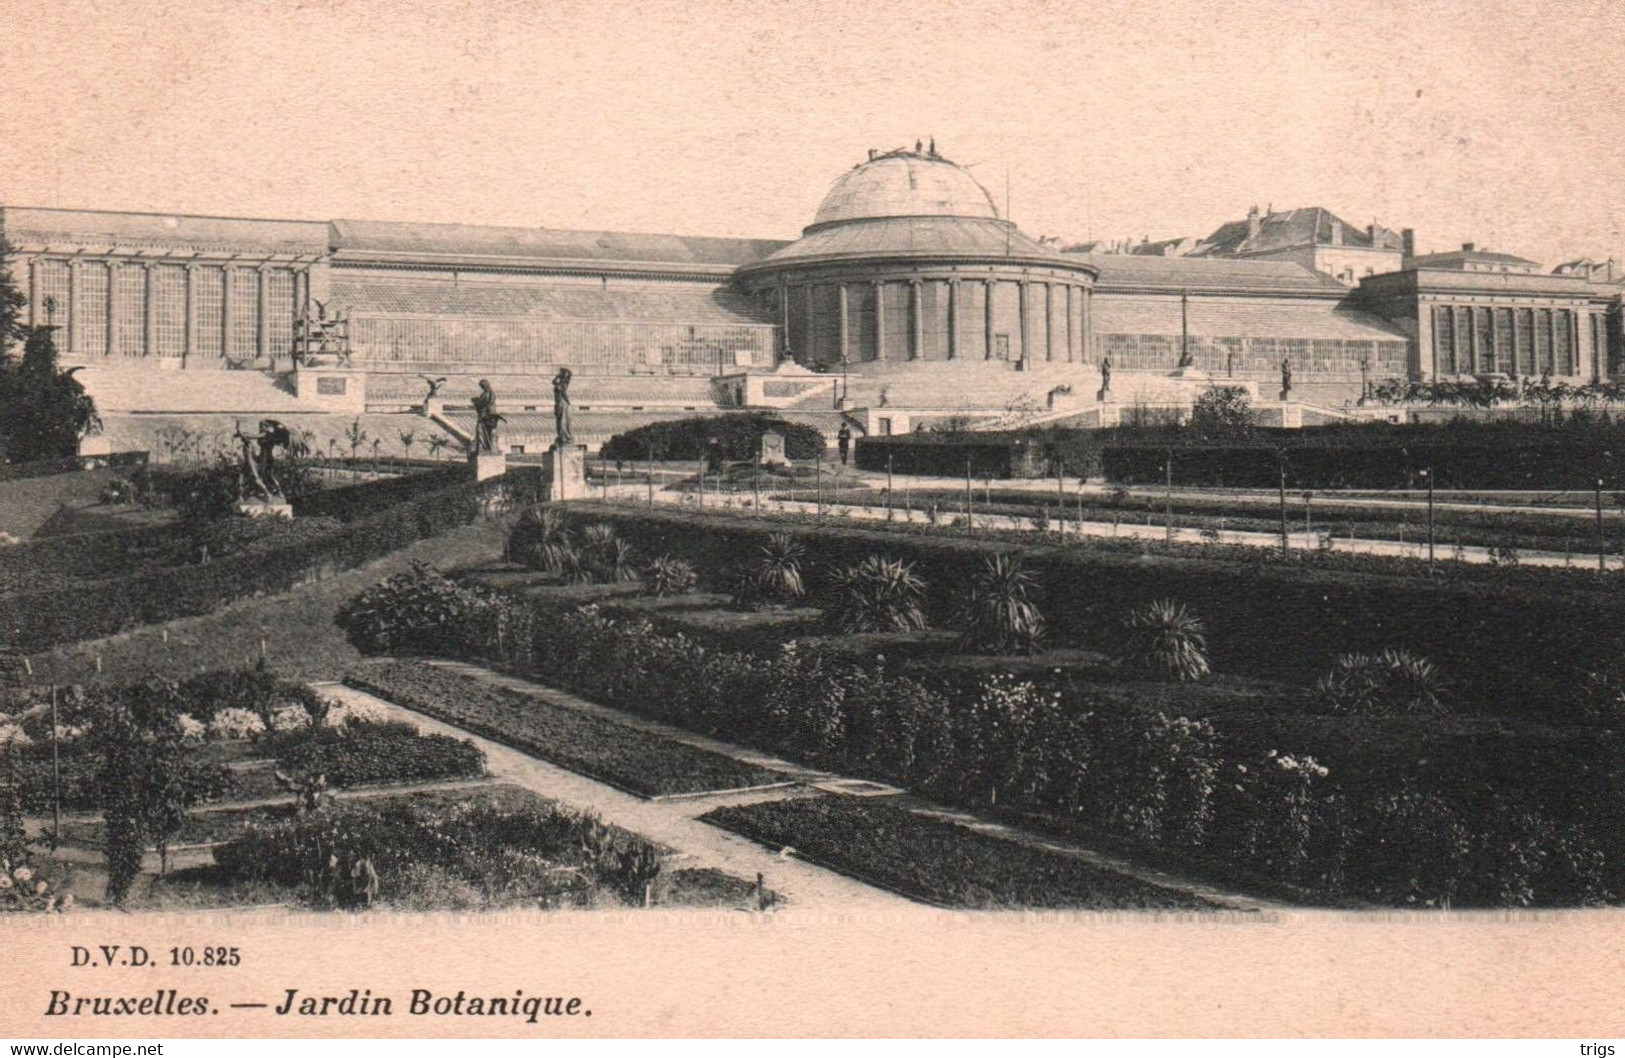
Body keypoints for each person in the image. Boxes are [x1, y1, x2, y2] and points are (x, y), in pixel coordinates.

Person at [551, 368, 574, 447]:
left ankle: (564, 437)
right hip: (559, 404)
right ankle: (562, 436)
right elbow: (553, 382)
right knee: (560, 421)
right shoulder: (560, 384)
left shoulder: (562, 385)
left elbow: (562, 391)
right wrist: (558, 376)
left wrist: (568, 402)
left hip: (562, 404)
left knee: (562, 421)